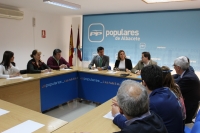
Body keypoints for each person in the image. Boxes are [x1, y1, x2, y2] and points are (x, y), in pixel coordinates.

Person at [112, 65, 183, 133]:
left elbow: (135, 128)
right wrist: (126, 105)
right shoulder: (168, 91)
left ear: (144, 83)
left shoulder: (152, 103)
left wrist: (117, 115)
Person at [173, 56, 200, 123]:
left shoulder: (188, 78)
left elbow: (175, 90)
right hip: (188, 103)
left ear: (178, 68)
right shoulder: (187, 72)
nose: (174, 67)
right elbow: (176, 77)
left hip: (188, 107)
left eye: (174, 66)